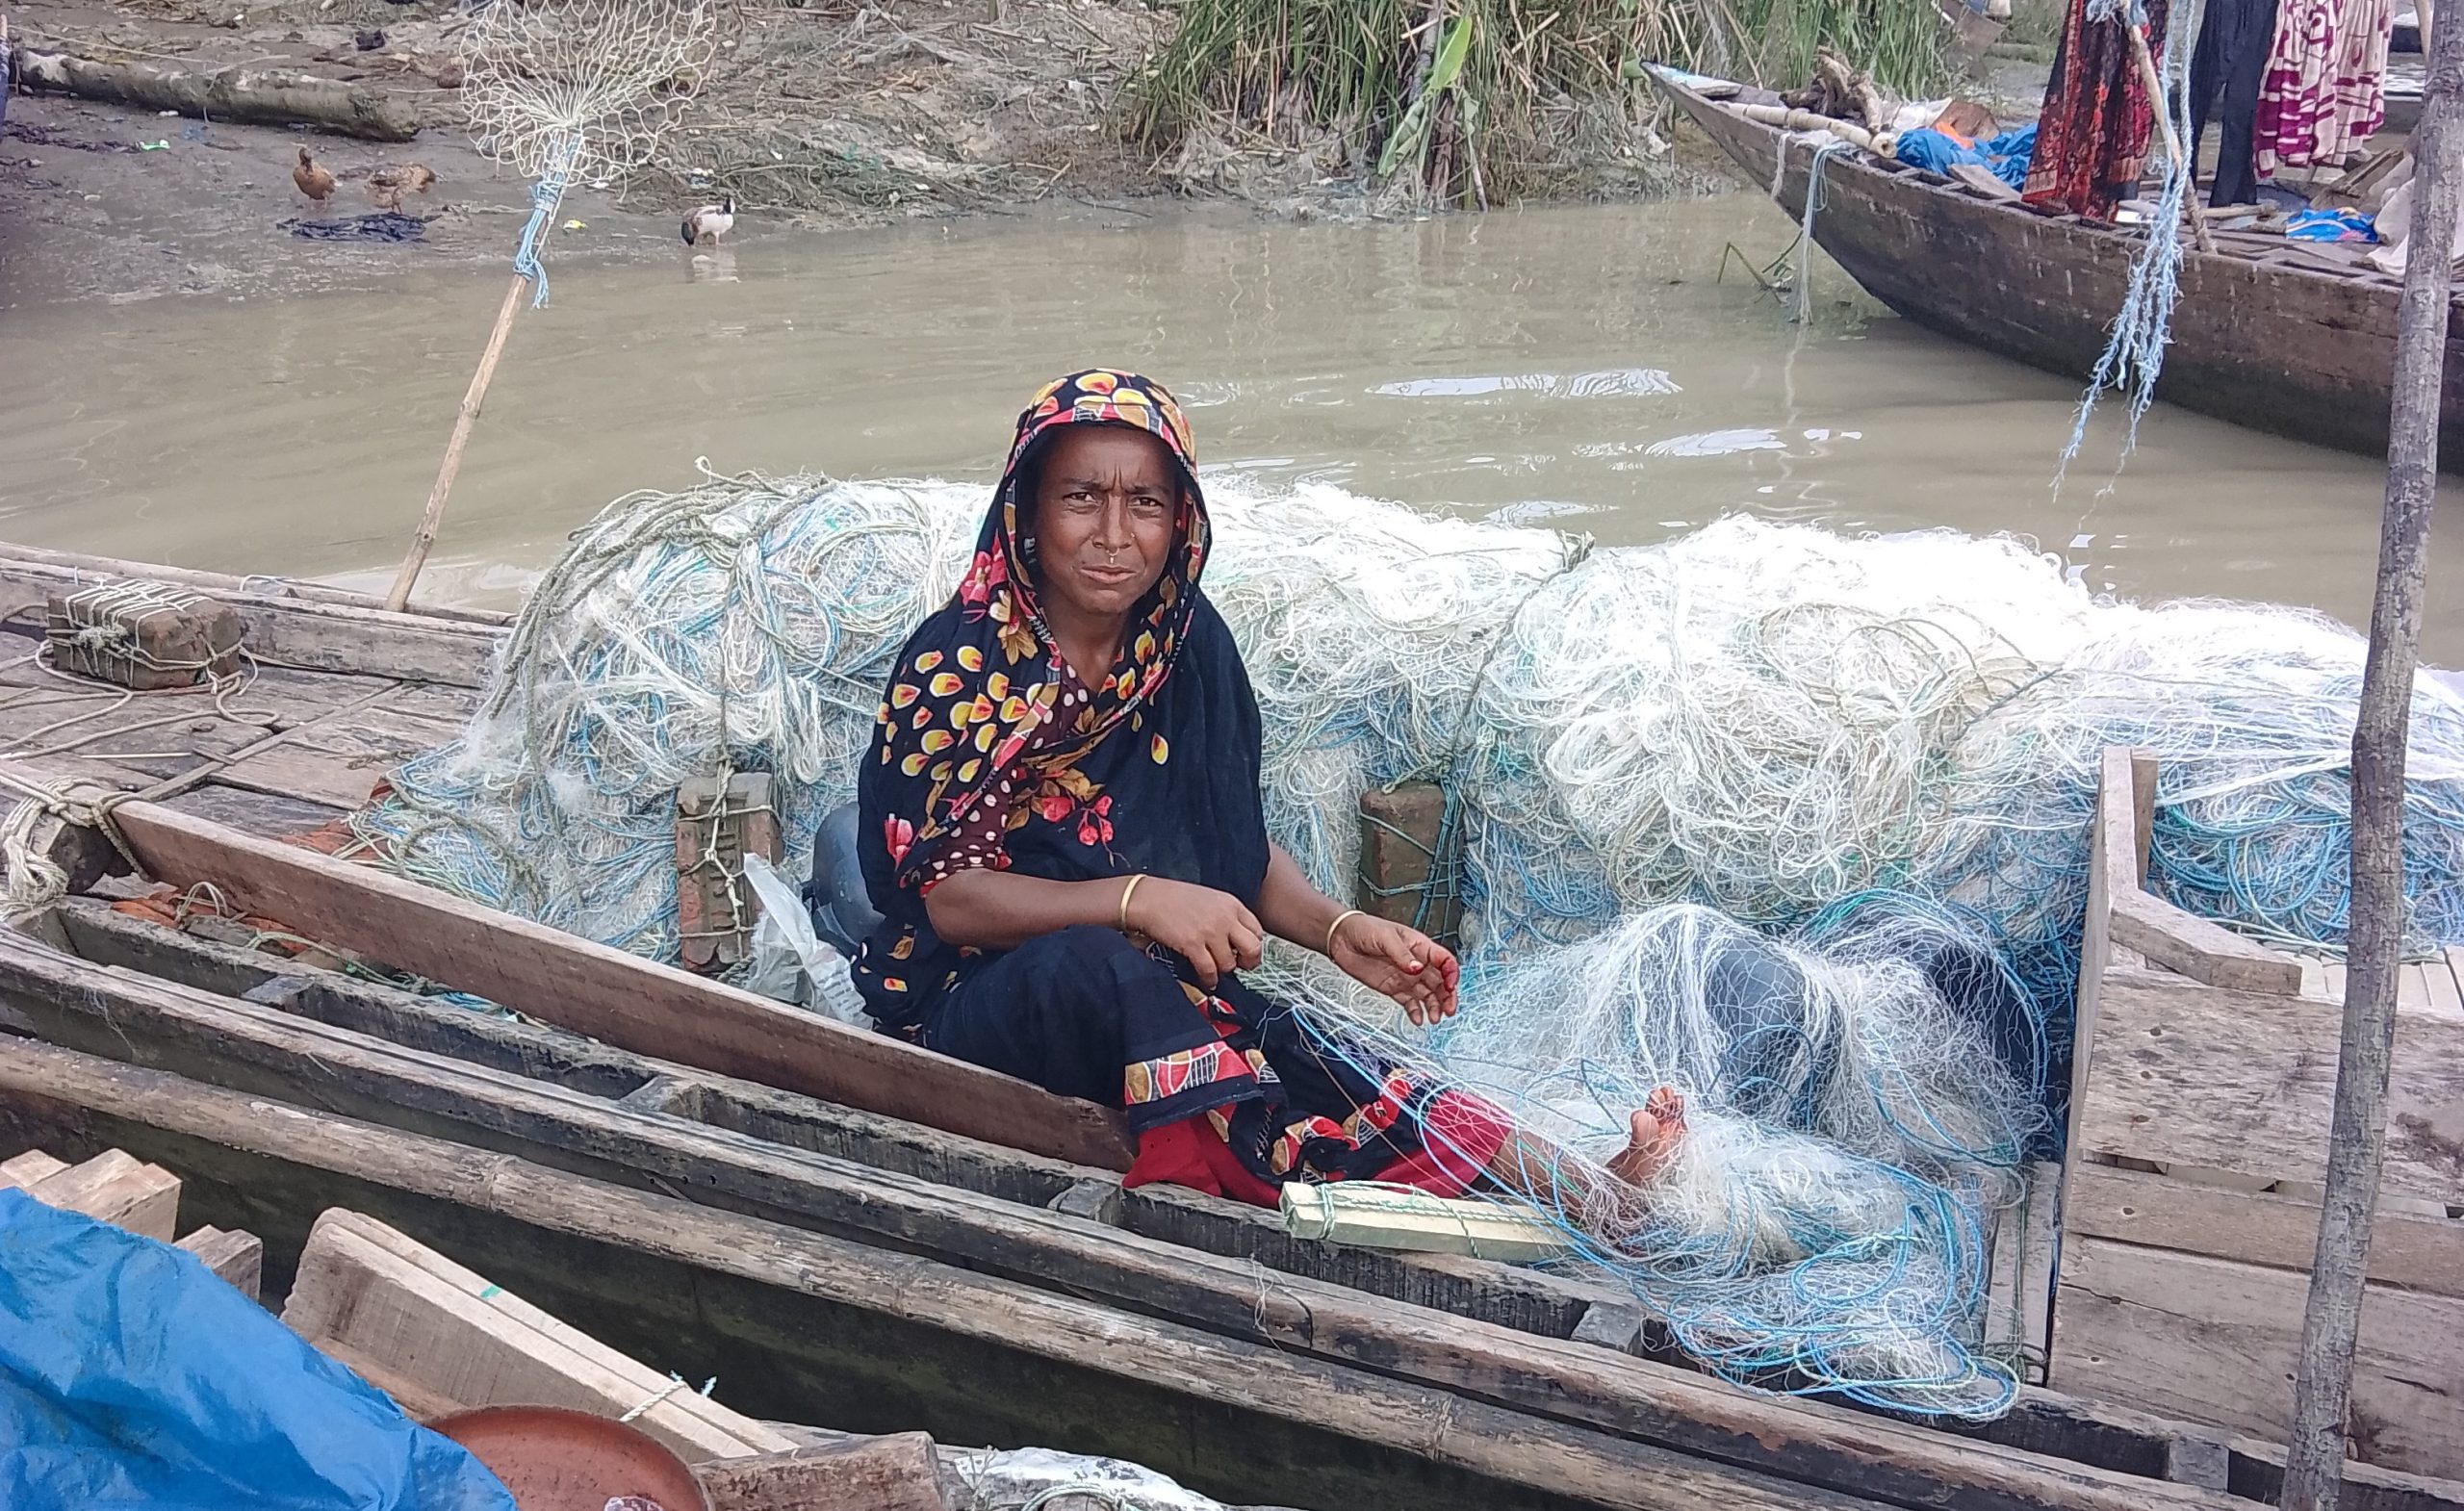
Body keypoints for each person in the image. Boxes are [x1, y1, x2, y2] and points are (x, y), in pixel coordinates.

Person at [851, 369, 1681, 1210]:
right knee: (1103, 971)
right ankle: (1279, 1181)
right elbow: (953, 900)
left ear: (1181, 519)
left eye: (1145, 503)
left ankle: (1585, 1194)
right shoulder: (962, 663)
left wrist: (1338, 931)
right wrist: (1139, 899)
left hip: (1151, 982)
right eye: (1080, 498)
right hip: (974, 998)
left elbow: (1228, 843)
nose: (1113, 534)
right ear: (1027, 509)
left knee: (1303, 1042)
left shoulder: (1186, 646)